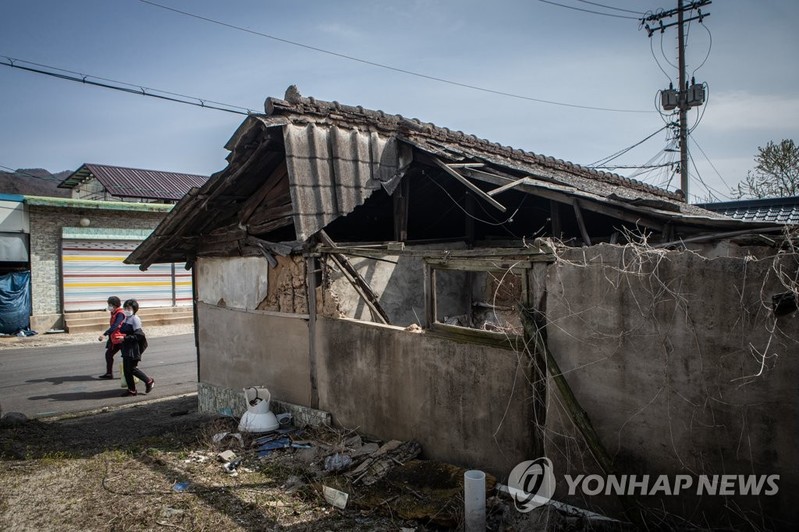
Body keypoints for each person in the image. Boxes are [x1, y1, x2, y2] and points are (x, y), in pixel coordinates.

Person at [119, 299, 153, 397]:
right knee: (126, 370)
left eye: (129, 308)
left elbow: (139, 335)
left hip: (133, 348)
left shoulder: (135, 319)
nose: (126, 310)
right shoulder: (125, 318)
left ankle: (149, 381)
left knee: (132, 369)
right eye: (125, 308)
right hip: (126, 347)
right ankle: (132, 390)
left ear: (134, 309)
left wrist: (125, 338)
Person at [97, 296, 125, 379]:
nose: (109, 306)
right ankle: (109, 373)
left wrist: (104, 334)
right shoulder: (114, 313)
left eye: (110, 304)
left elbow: (115, 325)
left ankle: (130, 374)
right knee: (108, 354)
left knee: (126, 358)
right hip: (115, 338)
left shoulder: (120, 313)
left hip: (121, 339)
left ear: (115, 305)